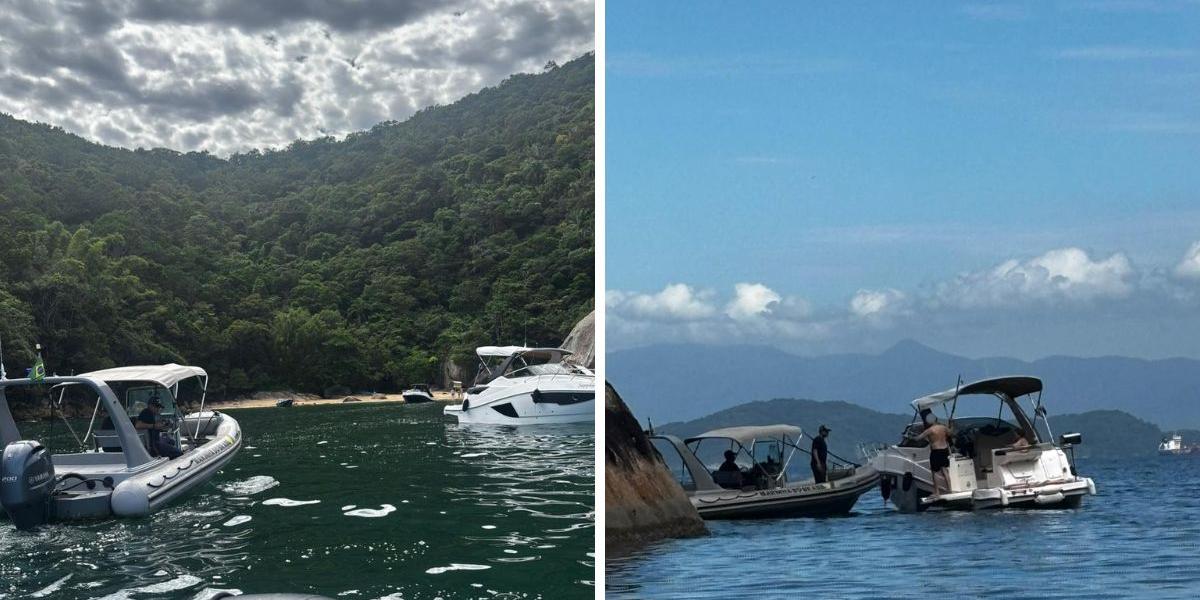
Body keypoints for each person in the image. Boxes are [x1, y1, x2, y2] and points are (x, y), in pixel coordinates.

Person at [916, 409, 951, 497]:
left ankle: (937, 492)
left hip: (936, 451)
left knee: (934, 472)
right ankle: (949, 490)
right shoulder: (943, 427)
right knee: (945, 471)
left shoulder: (930, 430)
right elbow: (950, 433)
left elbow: (918, 438)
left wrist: (910, 436)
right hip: (945, 450)